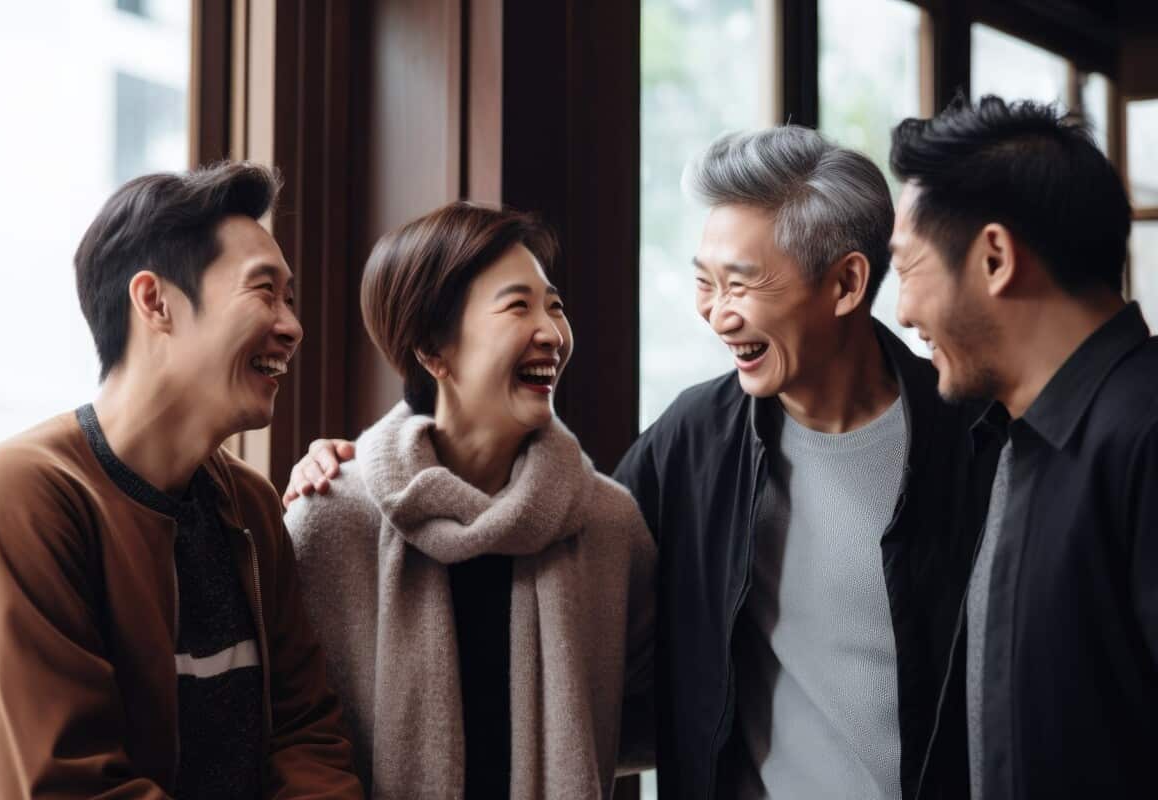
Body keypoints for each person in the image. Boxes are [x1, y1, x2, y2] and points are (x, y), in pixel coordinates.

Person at [285, 129, 997, 799]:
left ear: (845, 285)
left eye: (740, 285)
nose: (716, 315)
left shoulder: (980, 443)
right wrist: (358, 466)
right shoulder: (693, 442)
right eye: (704, 283)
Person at [0, 162, 363, 798]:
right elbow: (64, 785)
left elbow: (308, 732)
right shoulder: (21, 496)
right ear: (155, 301)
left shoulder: (254, 505)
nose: (292, 324)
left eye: (290, 297)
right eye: (263, 290)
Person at [282, 201, 655, 799]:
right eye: (518, 306)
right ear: (433, 350)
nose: (552, 333)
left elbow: (652, 715)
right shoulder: (332, 517)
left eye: (554, 306)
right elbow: (284, 734)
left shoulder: (608, 524)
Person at [890, 95, 1157, 798]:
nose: (903, 311)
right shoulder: (1015, 439)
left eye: (906, 267)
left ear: (995, 257)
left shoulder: (1144, 436)